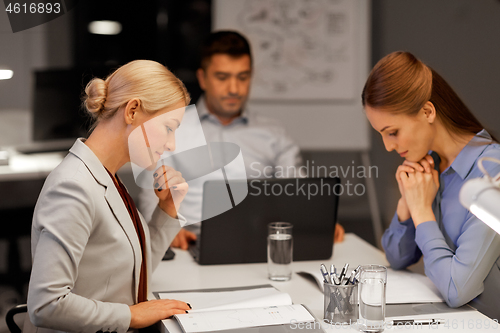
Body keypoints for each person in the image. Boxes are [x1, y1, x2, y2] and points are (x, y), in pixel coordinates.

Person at [24, 60, 192, 333]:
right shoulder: (73, 186)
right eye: (169, 128)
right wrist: (131, 316)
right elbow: (46, 305)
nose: (171, 144)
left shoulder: (108, 177)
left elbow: (137, 272)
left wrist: (168, 208)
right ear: (133, 110)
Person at [138, 30, 345, 249]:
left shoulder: (273, 134)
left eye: (243, 77)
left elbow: (296, 190)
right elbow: (151, 195)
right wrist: (165, 229)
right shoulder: (172, 129)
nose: (234, 89)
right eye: (222, 77)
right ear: (202, 78)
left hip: (258, 244)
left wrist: (317, 220)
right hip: (189, 245)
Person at [362, 51, 500, 318]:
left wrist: (422, 210)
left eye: (393, 132)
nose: (388, 146)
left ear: (427, 111)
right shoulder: (429, 166)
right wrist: (407, 203)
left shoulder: (492, 172)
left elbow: (456, 289)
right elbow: (397, 257)